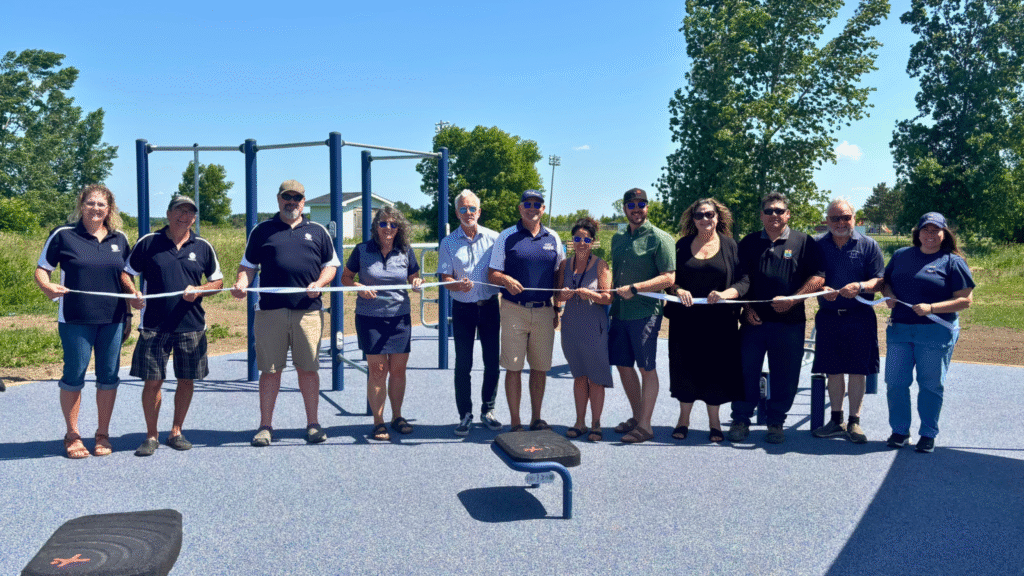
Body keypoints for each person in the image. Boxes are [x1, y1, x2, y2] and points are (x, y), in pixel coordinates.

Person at [231, 180, 339, 447]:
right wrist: (242, 283)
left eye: (297, 197)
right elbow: (248, 266)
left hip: (308, 313)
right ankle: (265, 427)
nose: (292, 202)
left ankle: (313, 424)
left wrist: (320, 283)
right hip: (270, 312)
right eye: (286, 197)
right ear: (279, 199)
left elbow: (331, 265)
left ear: (304, 201)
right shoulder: (262, 230)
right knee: (270, 372)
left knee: (308, 370)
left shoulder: (318, 231)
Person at [34, 184, 134, 458]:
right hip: (75, 319)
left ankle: (102, 435)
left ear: (109, 209)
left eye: (101, 204)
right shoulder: (63, 235)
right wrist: (47, 286)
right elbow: (42, 270)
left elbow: (125, 275)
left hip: (113, 319)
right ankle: (72, 435)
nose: (95, 208)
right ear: (81, 205)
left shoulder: (120, 238)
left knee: (109, 377)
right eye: (91, 203)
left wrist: (132, 301)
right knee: (74, 374)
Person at [124, 195, 224, 456]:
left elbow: (218, 282)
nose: (184, 216)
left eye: (189, 212)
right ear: (168, 214)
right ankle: (151, 436)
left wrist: (200, 290)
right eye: (179, 211)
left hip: (191, 326)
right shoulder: (149, 242)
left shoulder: (203, 246)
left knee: (186, 380)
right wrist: (133, 293)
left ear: (194, 217)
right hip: (154, 326)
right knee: (153, 382)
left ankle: (176, 431)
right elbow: (126, 273)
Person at [728, 192, 825, 445]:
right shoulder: (748, 243)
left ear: (788, 214)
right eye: (769, 211)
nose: (774, 215)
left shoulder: (804, 241)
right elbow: (738, 280)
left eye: (779, 210)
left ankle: (776, 422)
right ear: (761, 215)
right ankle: (741, 419)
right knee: (744, 371)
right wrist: (746, 308)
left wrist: (794, 299)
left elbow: (818, 277)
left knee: (786, 374)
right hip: (753, 323)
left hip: (790, 323)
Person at [881, 212, 974, 453]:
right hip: (900, 330)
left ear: (944, 234)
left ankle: (928, 433)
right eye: (926, 229)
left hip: (935, 333)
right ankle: (900, 431)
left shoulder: (953, 261)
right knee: (895, 383)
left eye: (935, 230)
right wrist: (889, 295)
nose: (930, 235)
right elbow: (885, 282)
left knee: (930, 385)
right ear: (918, 232)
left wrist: (931, 308)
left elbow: (965, 300)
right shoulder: (901, 255)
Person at [664, 198, 748, 443]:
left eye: (709, 214)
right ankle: (683, 421)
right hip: (685, 323)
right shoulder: (681, 246)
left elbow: (744, 281)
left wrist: (726, 294)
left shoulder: (731, 246)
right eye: (699, 215)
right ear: (693, 219)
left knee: (716, 371)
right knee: (684, 369)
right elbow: (669, 280)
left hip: (720, 324)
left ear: (717, 217)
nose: (704, 219)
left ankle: (715, 423)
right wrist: (678, 290)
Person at [341, 205, 423, 441]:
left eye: (394, 224)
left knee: (398, 370)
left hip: (399, 318)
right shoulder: (362, 250)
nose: (388, 228)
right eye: (384, 223)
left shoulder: (406, 251)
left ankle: (397, 416)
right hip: (370, 319)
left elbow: (414, 277)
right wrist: (358, 287)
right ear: (376, 226)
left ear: (399, 228)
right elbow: (346, 278)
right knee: (377, 371)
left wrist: (417, 282)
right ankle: (378, 421)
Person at [488, 190, 565, 432]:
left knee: (540, 368)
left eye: (537, 204)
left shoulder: (553, 238)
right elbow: (493, 274)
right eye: (528, 204)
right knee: (513, 368)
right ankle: (515, 422)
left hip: (544, 311)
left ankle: (536, 419)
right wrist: (506, 280)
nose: (532, 208)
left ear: (543, 209)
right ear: (520, 208)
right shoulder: (506, 237)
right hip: (514, 309)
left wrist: (557, 307)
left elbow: (559, 275)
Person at [811, 198, 884, 444]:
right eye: (835, 218)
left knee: (857, 371)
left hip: (860, 317)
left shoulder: (869, 245)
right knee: (833, 370)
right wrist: (821, 288)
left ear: (854, 218)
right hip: (829, 317)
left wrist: (861, 286)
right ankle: (836, 420)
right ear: (827, 220)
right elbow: (809, 277)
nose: (841, 222)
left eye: (846, 217)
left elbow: (879, 280)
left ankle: (854, 422)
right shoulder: (817, 245)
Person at [608, 188, 676, 443]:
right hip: (620, 313)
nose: (636, 209)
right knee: (624, 366)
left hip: (645, 313)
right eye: (631, 204)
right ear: (624, 208)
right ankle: (638, 418)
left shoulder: (660, 238)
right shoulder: (617, 238)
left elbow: (669, 278)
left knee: (646, 368)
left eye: (641, 204)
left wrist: (636, 288)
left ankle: (646, 426)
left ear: (647, 207)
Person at [438, 190, 502, 437]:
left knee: (492, 362)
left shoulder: (495, 238)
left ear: (479, 211)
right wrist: (457, 285)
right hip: (463, 309)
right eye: (463, 209)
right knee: (463, 364)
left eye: (472, 208)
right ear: (457, 213)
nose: (468, 213)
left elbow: (500, 272)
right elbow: (445, 279)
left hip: (489, 307)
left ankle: (488, 410)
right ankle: (465, 414)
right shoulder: (448, 242)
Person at [555, 217, 614, 442]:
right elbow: (556, 294)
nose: (581, 243)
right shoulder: (564, 265)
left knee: (596, 378)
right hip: (571, 327)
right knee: (579, 376)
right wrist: (561, 296)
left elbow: (608, 298)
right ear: (572, 240)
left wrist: (592, 295)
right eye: (577, 238)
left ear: (593, 242)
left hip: (594, 328)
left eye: (586, 239)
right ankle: (579, 422)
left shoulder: (600, 265)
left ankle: (596, 424)